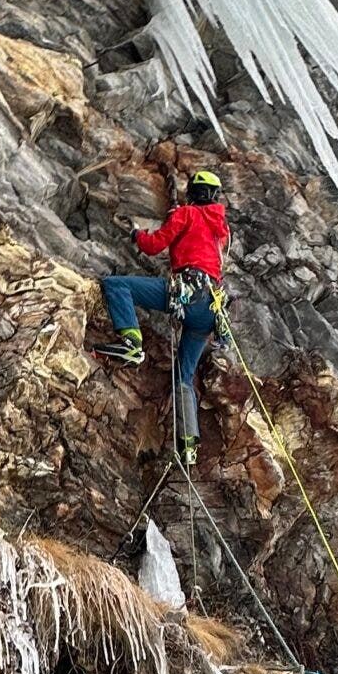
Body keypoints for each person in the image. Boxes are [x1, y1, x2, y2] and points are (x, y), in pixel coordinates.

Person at [98, 168, 230, 465]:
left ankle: (131, 342)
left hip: (186, 293)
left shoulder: (186, 214)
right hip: (210, 310)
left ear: (193, 193)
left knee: (116, 286)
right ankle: (188, 445)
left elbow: (154, 244)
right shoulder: (221, 230)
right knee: (183, 376)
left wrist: (135, 233)